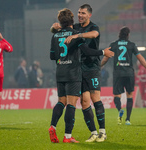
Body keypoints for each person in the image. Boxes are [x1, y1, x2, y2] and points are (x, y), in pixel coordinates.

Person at [48, 8, 114, 143]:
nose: (80, 15)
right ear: (73, 18)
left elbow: (94, 34)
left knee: (94, 98)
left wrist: (74, 35)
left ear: (89, 15)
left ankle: (102, 132)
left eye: (83, 13)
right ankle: (91, 133)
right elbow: (85, 49)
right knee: (83, 102)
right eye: (78, 13)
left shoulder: (92, 27)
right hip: (76, 70)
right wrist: (54, 27)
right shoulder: (75, 28)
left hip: (90, 68)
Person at [101, 26, 146, 125]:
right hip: (129, 73)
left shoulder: (113, 45)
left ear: (119, 34)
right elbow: (141, 59)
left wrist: (98, 67)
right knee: (129, 95)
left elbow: (105, 59)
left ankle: (119, 110)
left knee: (117, 95)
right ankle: (128, 119)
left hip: (118, 73)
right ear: (128, 35)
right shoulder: (131, 45)